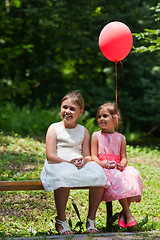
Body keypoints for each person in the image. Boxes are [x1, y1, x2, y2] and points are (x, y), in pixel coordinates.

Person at [40, 91, 109, 235]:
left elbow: (87, 156)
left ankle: (91, 219)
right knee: (63, 175)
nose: (67, 111)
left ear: (80, 112)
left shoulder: (83, 131)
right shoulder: (54, 128)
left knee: (98, 174)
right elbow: (51, 156)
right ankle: (61, 220)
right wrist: (67, 162)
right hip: (58, 163)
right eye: (64, 107)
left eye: (72, 109)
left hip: (78, 163)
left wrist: (83, 161)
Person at [91, 102, 143, 229]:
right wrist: (103, 164)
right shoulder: (96, 136)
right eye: (99, 116)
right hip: (104, 168)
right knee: (117, 178)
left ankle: (124, 214)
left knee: (132, 174)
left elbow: (124, 157)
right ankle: (127, 213)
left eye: (105, 116)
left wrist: (122, 164)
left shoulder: (121, 138)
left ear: (115, 118)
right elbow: (93, 156)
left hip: (117, 168)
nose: (101, 119)